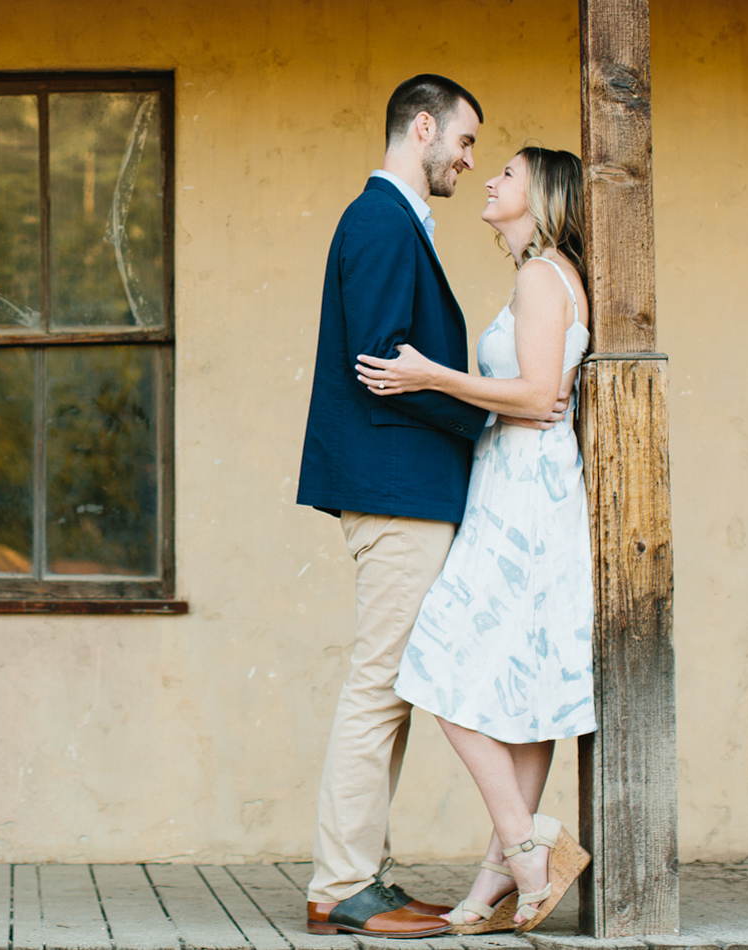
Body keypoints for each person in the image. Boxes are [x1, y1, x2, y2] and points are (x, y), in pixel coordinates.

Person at [296, 74, 553, 939]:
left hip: (405, 487)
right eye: (465, 141)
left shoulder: (398, 222)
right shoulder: (376, 218)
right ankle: (341, 885)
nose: (470, 159)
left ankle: (361, 873)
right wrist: (491, 408)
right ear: (421, 129)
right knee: (380, 687)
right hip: (393, 489)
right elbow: (381, 361)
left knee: (393, 689)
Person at [357, 146, 596, 935]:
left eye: (507, 174)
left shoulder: (539, 277)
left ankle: (529, 847)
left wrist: (432, 375)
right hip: (527, 482)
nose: (489, 180)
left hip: (523, 494)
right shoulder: (551, 274)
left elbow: (535, 394)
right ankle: (502, 872)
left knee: (436, 664)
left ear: (541, 196)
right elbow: (537, 396)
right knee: (520, 691)